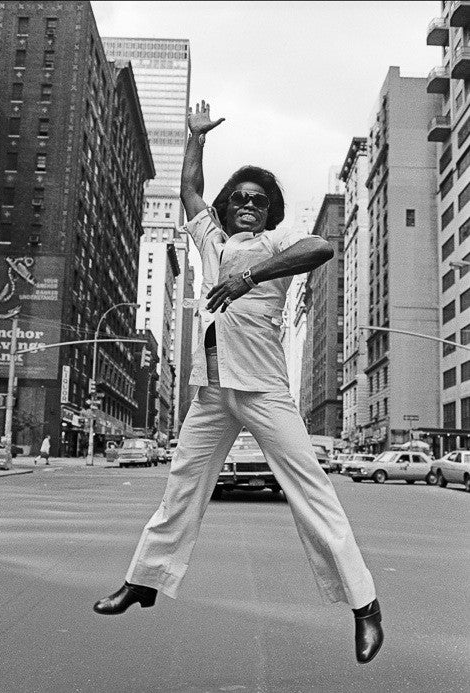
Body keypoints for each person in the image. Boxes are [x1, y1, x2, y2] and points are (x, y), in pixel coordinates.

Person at [94, 102, 383, 664]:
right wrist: (196, 139)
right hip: (211, 391)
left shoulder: (275, 245)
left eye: (259, 200)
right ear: (228, 210)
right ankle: (145, 580)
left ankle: (365, 607)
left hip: (266, 391)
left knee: (313, 495)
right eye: (239, 199)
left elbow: (321, 249)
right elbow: (190, 192)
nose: (248, 205)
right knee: (181, 485)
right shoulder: (211, 242)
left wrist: (251, 274)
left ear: (269, 211)